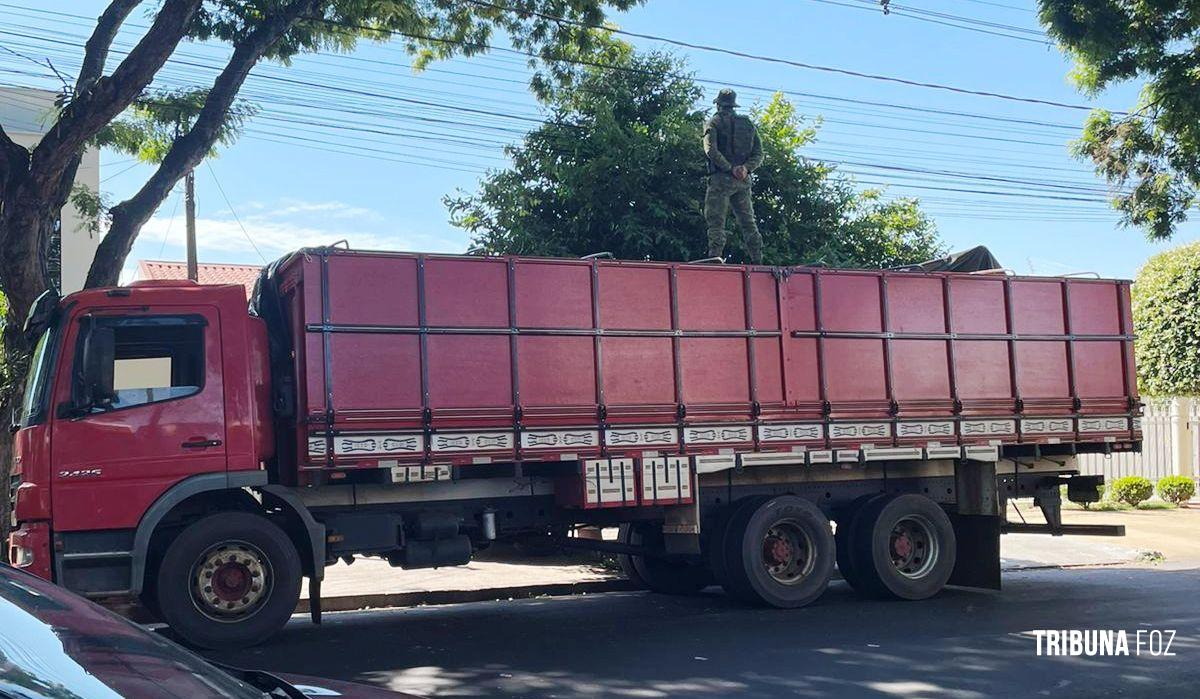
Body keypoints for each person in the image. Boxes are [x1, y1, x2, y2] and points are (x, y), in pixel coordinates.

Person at [703, 88, 763, 263]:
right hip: (743, 181)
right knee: (748, 222)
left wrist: (729, 168)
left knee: (716, 221)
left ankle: (715, 256)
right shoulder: (748, 124)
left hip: (721, 180)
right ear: (734, 105)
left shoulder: (713, 123)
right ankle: (757, 258)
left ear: (719, 104)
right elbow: (758, 153)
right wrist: (745, 168)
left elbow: (710, 150)